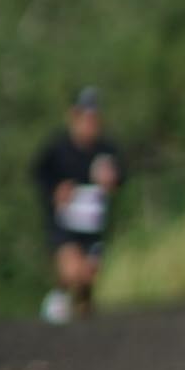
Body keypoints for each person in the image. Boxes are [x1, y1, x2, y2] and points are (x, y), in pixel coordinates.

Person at [30, 87, 122, 324]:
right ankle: (59, 296)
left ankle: (82, 311)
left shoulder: (106, 150)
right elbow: (38, 174)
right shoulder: (57, 149)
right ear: (74, 117)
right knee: (72, 270)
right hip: (65, 224)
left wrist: (112, 180)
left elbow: (122, 176)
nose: (90, 124)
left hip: (93, 226)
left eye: (94, 119)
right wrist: (56, 190)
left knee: (87, 277)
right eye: (85, 118)